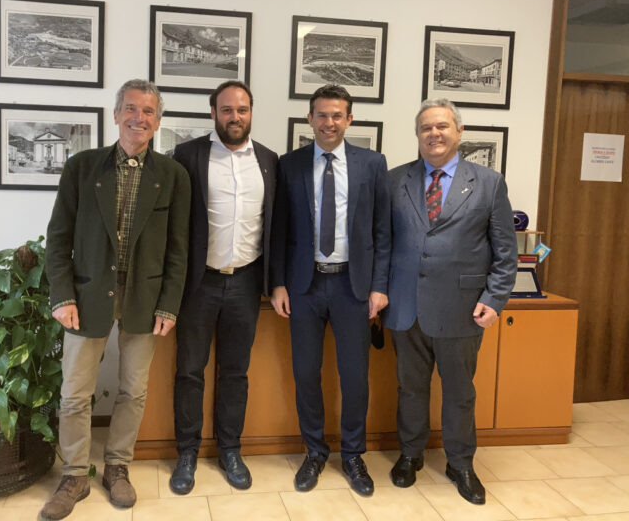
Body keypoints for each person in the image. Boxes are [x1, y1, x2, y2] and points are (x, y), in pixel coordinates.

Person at [41, 79, 190, 520]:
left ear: (158, 121)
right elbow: (58, 238)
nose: (138, 118)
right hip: (86, 295)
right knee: (74, 392)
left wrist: (169, 304)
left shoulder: (173, 175)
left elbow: (179, 248)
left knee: (133, 390)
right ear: (116, 114)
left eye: (148, 111)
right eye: (130, 108)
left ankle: (118, 467)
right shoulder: (82, 167)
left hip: (144, 296)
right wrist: (61, 295)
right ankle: (73, 475)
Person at [385, 98, 517, 505]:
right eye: (426, 127)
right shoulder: (394, 180)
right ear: (417, 134)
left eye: (442, 126)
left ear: (459, 132)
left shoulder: (489, 183)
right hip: (405, 306)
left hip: (463, 308)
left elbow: (505, 251)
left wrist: (495, 298)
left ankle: (460, 463)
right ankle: (411, 454)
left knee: (459, 392)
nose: (434, 134)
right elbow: (382, 243)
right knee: (410, 389)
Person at [270, 84, 391, 497]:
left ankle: (353, 454)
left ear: (349, 120)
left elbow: (382, 231)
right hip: (303, 286)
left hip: (352, 286)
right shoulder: (290, 164)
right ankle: (315, 451)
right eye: (322, 115)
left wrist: (379, 286)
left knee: (354, 376)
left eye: (337, 115)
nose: (329, 122)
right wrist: (278, 282)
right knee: (306, 373)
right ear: (310, 119)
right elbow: (279, 229)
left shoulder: (372, 164)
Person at [169, 81, 277, 494]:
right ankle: (187, 452)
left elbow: (276, 224)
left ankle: (230, 449)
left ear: (251, 112)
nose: (235, 117)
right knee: (189, 371)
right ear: (213, 112)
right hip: (198, 283)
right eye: (227, 110)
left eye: (242, 110)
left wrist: (275, 282)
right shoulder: (187, 156)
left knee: (235, 373)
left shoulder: (268, 160)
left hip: (247, 282)